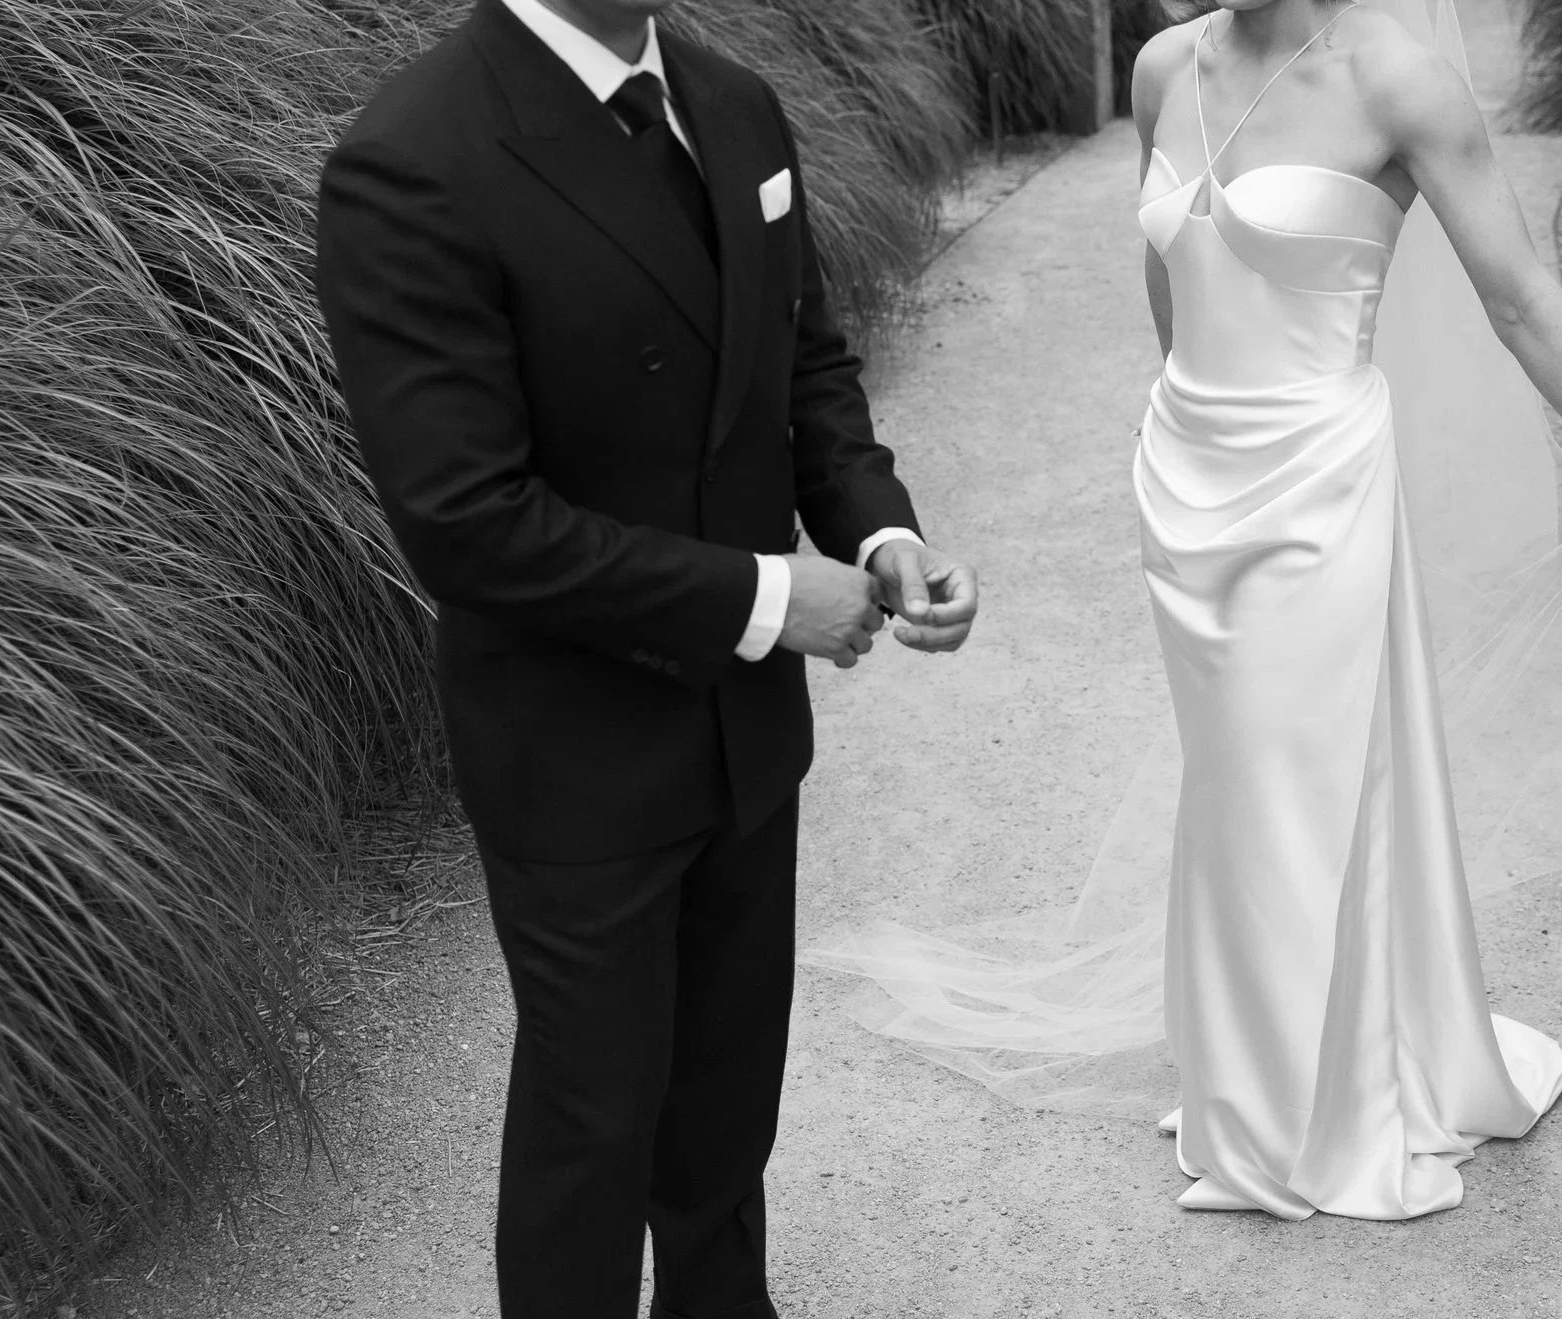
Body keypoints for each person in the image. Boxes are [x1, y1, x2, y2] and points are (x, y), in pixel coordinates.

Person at [810, 0, 1562, 1222]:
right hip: (1185, 484)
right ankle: (1270, 1061)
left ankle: (1291, 1116)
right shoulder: (1167, 67)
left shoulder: (1396, 77)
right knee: (1237, 783)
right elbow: (1168, 271)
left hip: (1316, 484)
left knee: (1294, 781)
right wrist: (1171, 425)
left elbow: (1518, 293)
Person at [311, 0, 977, 1314]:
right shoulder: (414, 158)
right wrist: (766, 597)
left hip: (747, 732)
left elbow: (805, 368)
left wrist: (879, 529)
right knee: (594, 1132)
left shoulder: (733, 101)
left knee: (726, 1112)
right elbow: (470, 524)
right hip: (578, 749)